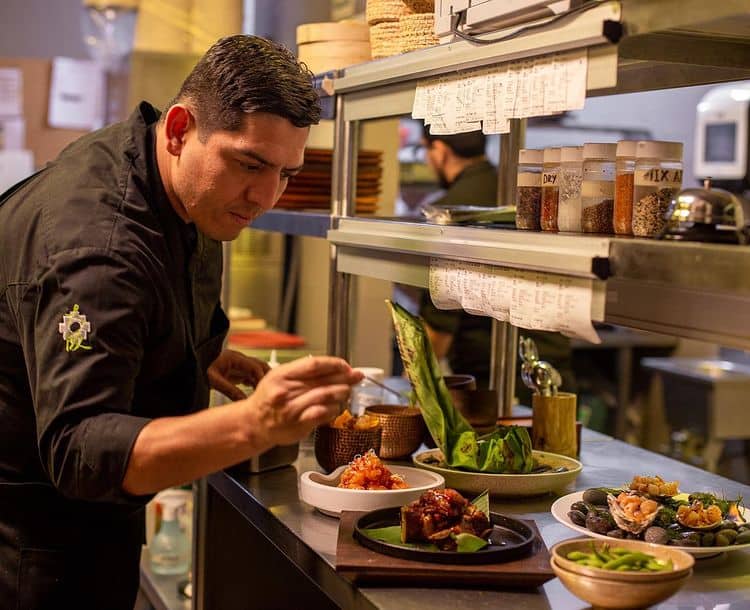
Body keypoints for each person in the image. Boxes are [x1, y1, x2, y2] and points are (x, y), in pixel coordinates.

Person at [0, 35, 362, 609]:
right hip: (32, 549)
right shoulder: (100, 247)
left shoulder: (175, 182)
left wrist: (189, 350)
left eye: (287, 174)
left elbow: (132, 307)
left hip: (92, 528)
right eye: (250, 163)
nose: (267, 196)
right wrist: (256, 423)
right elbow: (82, 450)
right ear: (178, 130)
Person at [417, 126, 575, 401]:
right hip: (553, 373)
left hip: (491, 386)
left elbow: (436, 338)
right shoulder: (526, 192)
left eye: (424, 151)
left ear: (440, 150)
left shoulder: (450, 212)